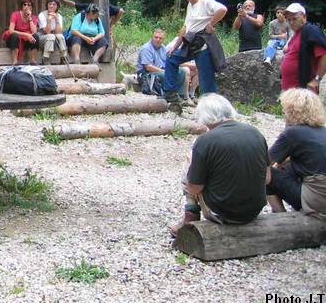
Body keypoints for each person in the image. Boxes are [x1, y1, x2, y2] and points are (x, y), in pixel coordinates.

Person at [170, 94, 270, 236]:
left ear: (205, 116)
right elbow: (267, 178)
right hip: (254, 210)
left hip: (223, 212)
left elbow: (194, 188)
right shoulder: (256, 133)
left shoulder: (205, 141)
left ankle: (190, 215)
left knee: (190, 161)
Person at [163, 0, 227, 114]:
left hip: (203, 45)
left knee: (206, 82)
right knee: (171, 58)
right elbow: (185, 27)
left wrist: (211, 23)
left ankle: (213, 112)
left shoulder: (205, 2)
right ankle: (171, 95)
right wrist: (175, 46)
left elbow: (223, 9)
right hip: (190, 43)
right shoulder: (190, 5)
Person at [266, 88, 326, 219]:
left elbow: (264, 161)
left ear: (291, 110)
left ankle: (281, 219)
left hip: (317, 202)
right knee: (287, 167)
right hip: (321, 191)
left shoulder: (292, 133)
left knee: (268, 173)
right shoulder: (323, 130)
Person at [279, 3, 326, 93]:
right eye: (289, 20)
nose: (291, 22)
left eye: (294, 18)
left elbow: (324, 55)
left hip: (303, 91)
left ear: (304, 17)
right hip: (290, 91)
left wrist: (316, 79)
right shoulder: (296, 34)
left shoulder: (310, 30)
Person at [136, 29, 192, 102]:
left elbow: (169, 61)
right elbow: (148, 67)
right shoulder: (146, 48)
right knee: (166, 74)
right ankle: (168, 94)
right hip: (146, 74)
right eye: (156, 37)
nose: (158, 40)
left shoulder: (163, 48)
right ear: (152, 37)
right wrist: (166, 72)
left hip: (160, 71)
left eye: (160, 38)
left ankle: (180, 96)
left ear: (163, 39)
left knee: (182, 71)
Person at [57, 0, 125, 27]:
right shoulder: (89, 6)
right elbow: (73, 4)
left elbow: (121, 11)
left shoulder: (106, 6)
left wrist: (111, 25)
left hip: (103, 30)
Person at [2, 0, 39, 65]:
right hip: (14, 39)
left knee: (36, 36)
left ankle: (33, 61)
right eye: (24, 4)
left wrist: (30, 18)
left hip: (26, 41)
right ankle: (15, 61)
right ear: (22, 6)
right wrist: (26, 34)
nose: (26, 6)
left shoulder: (34, 17)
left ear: (31, 7)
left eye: (29, 5)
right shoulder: (15, 15)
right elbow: (11, 30)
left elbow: (34, 32)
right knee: (14, 35)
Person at [37, 0, 67, 64]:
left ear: (57, 6)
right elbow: (47, 31)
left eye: (54, 4)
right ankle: (45, 58)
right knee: (51, 36)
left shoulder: (59, 16)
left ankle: (63, 58)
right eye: (50, 4)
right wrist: (49, 20)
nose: (51, 6)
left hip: (54, 40)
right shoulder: (42, 15)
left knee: (60, 36)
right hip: (42, 38)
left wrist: (56, 20)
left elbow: (59, 32)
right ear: (47, 5)